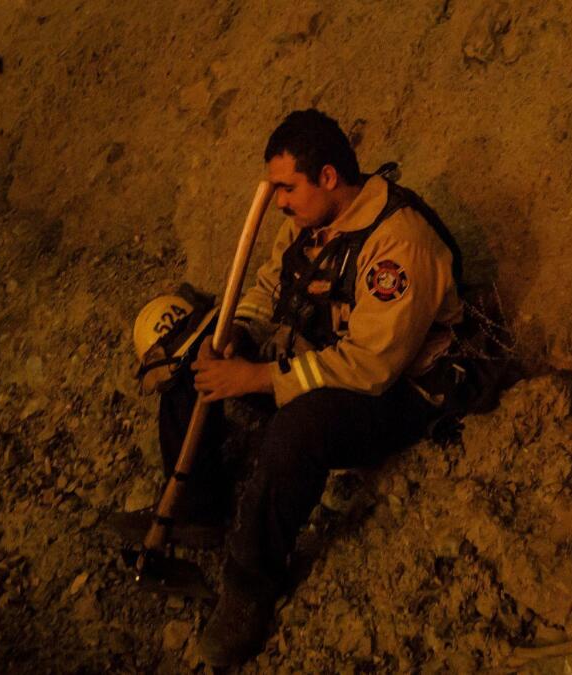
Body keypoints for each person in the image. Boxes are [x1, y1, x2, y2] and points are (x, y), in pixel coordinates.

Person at [149, 109, 466, 667]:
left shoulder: (398, 243)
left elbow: (371, 366)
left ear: (326, 177)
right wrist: (237, 335)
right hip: (322, 355)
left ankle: (251, 585)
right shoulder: (306, 221)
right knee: (190, 357)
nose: (278, 202)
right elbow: (269, 284)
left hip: (396, 392)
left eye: (286, 187)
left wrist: (262, 378)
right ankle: (197, 505)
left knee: (298, 429)